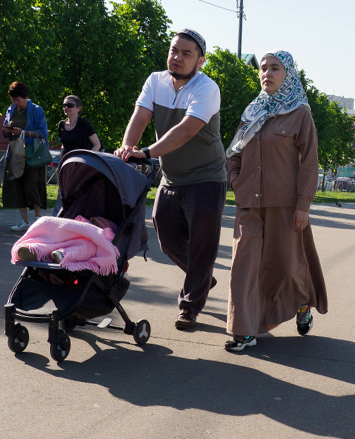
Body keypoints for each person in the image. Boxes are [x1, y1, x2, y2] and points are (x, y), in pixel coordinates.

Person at [115, 29, 226, 330]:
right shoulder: (155, 81)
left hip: (206, 177)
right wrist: (128, 148)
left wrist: (147, 152)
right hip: (172, 178)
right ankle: (202, 278)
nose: (177, 57)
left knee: (203, 246)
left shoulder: (207, 89)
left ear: (200, 61)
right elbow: (139, 118)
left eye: (186, 53)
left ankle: (189, 307)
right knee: (167, 240)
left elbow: (186, 130)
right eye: (174, 50)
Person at [224, 49, 328, 352]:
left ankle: (301, 304)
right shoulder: (252, 111)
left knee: (286, 268)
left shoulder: (300, 113)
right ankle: (243, 331)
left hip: (285, 207)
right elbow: (234, 154)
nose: (266, 73)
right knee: (243, 266)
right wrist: (235, 182)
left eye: (275, 68)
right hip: (249, 206)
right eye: (263, 68)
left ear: (288, 75)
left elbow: (309, 163)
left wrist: (302, 206)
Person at [2, 81, 49, 232]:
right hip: (15, 152)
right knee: (17, 185)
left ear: (26, 97)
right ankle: (24, 221)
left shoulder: (36, 110)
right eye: (13, 100)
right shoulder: (11, 109)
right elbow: (4, 129)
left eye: (18, 100)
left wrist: (23, 132)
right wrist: (7, 130)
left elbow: (42, 132)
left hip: (31, 153)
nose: (16, 103)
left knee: (32, 185)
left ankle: (38, 218)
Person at [52, 95, 101, 216]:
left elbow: (97, 145)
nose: (66, 108)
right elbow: (64, 145)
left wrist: (88, 161)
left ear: (78, 108)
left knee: (80, 194)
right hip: (66, 164)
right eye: (64, 105)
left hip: (81, 165)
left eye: (69, 105)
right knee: (62, 194)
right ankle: (57, 219)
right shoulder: (61, 125)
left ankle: (80, 220)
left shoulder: (84, 124)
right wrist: (61, 161)